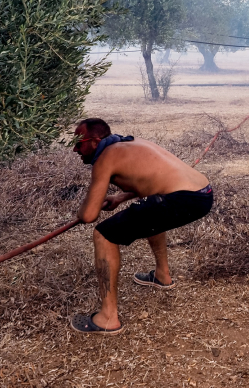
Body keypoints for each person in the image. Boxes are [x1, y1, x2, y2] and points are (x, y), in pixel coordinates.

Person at [68, 118, 212, 335]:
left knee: (103, 234)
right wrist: (120, 197)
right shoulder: (132, 142)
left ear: (96, 141)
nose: (75, 149)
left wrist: (82, 209)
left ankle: (108, 318)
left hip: (181, 199)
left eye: (80, 143)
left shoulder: (105, 159)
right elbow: (152, 181)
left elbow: (89, 216)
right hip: (203, 193)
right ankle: (162, 275)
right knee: (151, 207)